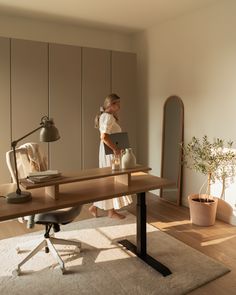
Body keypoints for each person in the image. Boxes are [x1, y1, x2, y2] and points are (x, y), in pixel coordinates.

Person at [89, 93, 133, 219]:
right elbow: (103, 137)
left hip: (106, 151)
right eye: (117, 103)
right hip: (110, 152)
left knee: (109, 181)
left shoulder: (105, 116)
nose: (119, 105)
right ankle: (110, 212)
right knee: (113, 181)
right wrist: (115, 149)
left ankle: (96, 207)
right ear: (111, 104)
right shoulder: (108, 117)